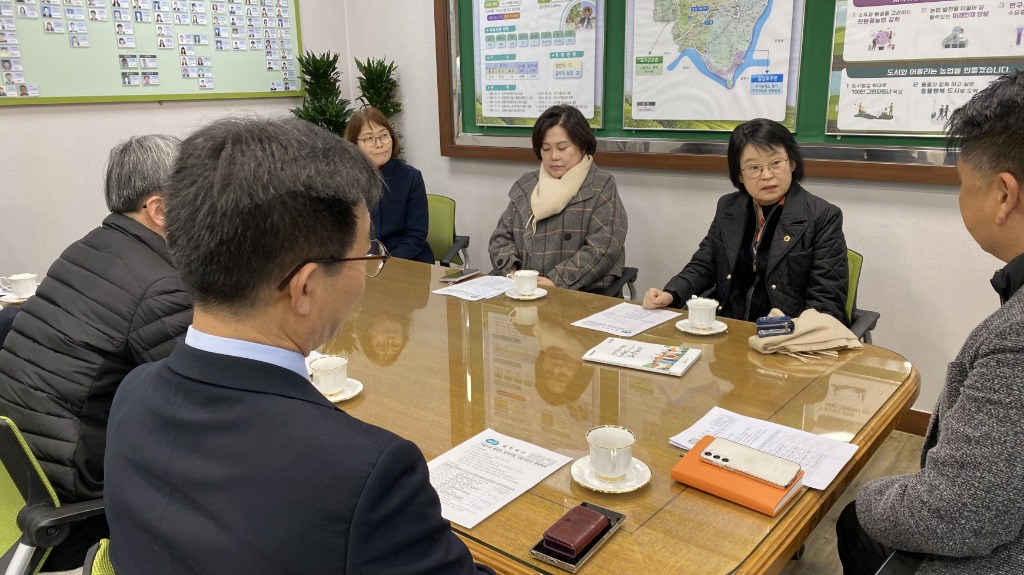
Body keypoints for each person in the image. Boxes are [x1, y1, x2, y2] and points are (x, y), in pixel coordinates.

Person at [102, 117, 495, 574]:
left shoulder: (133, 393)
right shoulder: (366, 472)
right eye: (367, 254)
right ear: (304, 287)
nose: (369, 270)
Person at [836, 72, 1024, 575]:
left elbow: (960, 514)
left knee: (857, 519)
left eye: (964, 185)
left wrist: (870, 494)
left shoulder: (1016, 338)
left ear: (1004, 196)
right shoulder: (731, 211)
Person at [0, 135, 192, 569]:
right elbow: (201, 399)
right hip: (76, 495)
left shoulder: (88, 247)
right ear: (160, 210)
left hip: (19, 474)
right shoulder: (160, 286)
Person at [643, 118, 848, 321]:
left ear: (792, 163)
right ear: (739, 175)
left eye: (776, 163)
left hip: (787, 335)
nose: (767, 175)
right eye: (753, 167)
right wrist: (671, 293)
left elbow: (826, 301)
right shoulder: (729, 207)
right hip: (728, 327)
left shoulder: (822, 216)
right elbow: (705, 264)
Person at [489, 104, 627, 293]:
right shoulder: (527, 184)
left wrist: (556, 280)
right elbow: (500, 238)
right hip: (523, 290)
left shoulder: (601, 185)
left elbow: (603, 248)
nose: (554, 156)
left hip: (581, 294)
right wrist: (513, 272)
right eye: (546, 149)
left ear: (582, 146)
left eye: (562, 148)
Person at [342, 107, 433, 264]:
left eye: (384, 136)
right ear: (353, 145)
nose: (379, 144)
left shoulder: (410, 177)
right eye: (369, 139)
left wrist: (387, 263)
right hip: (359, 262)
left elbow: (415, 235)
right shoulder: (343, 180)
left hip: (405, 260)